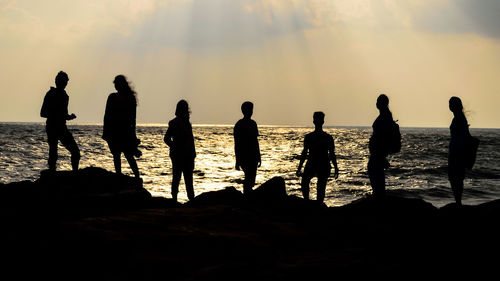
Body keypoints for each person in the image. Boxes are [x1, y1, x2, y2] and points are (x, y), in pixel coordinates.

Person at [40, 71, 80, 172]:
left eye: (65, 82)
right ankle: (52, 174)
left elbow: (64, 115)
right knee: (53, 152)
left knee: (75, 152)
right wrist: (58, 115)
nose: (64, 84)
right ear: (57, 81)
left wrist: (69, 117)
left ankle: (75, 173)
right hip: (52, 127)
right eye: (63, 81)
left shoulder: (65, 96)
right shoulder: (50, 94)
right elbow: (43, 113)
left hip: (62, 127)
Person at [102, 75, 141, 178]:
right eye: (115, 84)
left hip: (124, 132)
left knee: (127, 155)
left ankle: (136, 176)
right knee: (118, 155)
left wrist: (133, 136)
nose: (116, 86)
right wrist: (106, 133)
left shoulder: (129, 98)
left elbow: (133, 119)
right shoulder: (113, 97)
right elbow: (107, 117)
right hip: (115, 132)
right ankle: (120, 176)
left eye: (117, 84)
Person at [296, 111, 339, 203]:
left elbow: (331, 154)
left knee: (315, 185)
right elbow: (332, 154)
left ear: (314, 121)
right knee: (315, 185)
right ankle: (311, 203)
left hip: (319, 164)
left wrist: (336, 168)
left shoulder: (313, 137)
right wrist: (336, 168)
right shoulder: (325, 137)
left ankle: (309, 202)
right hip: (317, 163)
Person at [164, 100, 196, 202]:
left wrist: (193, 153)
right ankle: (175, 198)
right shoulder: (173, 123)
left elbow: (191, 139)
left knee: (187, 178)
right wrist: (173, 146)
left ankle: (190, 198)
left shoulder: (187, 123)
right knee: (178, 177)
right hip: (178, 154)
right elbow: (166, 138)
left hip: (187, 154)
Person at [367, 94, 398, 199]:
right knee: (377, 175)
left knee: (376, 175)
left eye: (378, 101)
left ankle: (378, 199)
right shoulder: (385, 115)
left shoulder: (385, 117)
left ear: (382, 103)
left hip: (378, 153)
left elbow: (383, 137)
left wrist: (380, 154)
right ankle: (378, 197)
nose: (376, 103)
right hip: (378, 153)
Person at [234, 101, 261, 195]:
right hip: (245, 156)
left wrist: (259, 156)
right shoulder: (239, 125)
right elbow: (237, 144)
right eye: (249, 109)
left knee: (251, 178)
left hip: (253, 156)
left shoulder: (253, 124)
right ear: (244, 111)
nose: (251, 111)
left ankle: (247, 194)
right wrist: (237, 160)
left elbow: (255, 142)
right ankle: (247, 196)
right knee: (248, 177)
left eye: (251, 109)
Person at [448, 96, 470, 206]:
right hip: (455, 151)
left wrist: (459, 152)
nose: (450, 106)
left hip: (457, 152)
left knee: (456, 177)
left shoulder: (459, 118)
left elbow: (463, 136)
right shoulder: (458, 117)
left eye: (451, 104)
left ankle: (458, 202)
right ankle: (458, 201)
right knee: (455, 177)